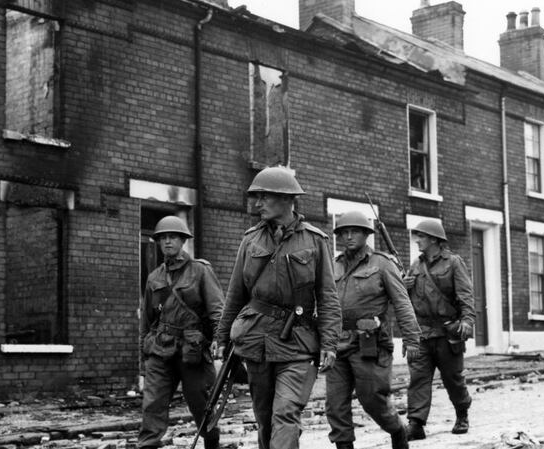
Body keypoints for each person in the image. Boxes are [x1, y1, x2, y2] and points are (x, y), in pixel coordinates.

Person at [215, 166, 342, 449]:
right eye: (256, 197)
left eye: (264, 197)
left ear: (286, 199)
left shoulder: (314, 241)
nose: (257, 204)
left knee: (285, 412)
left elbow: (328, 297)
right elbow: (236, 294)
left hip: (297, 343)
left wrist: (330, 343)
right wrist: (221, 337)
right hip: (256, 341)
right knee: (265, 418)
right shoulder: (250, 240)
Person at [325, 211, 423, 449]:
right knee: (335, 405)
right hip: (337, 344)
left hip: (370, 343)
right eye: (343, 232)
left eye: (354, 232)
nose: (348, 237)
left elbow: (402, 302)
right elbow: (323, 302)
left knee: (372, 400)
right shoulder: (332, 265)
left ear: (366, 235)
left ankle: (398, 431)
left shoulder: (381, 263)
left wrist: (412, 340)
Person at [138, 216, 224, 449]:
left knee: (201, 404)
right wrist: (142, 365)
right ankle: (147, 445)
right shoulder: (154, 277)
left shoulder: (200, 271)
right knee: (152, 404)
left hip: (192, 350)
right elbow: (146, 322)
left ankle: (211, 444)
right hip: (160, 348)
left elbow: (217, 310)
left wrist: (219, 342)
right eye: (163, 238)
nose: (167, 242)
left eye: (172, 237)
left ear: (183, 240)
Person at [403, 219, 475, 440]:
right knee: (418, 379)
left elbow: (465, 295)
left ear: (434, 239)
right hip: (423, 332)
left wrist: (467, 322)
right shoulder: (416, 265)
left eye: (422, 236)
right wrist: (404, 287)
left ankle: (462, 414)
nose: (418, 240)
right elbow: (409, 301)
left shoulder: (453, 263)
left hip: (447, 332)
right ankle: (416, 424)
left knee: (452, 378)